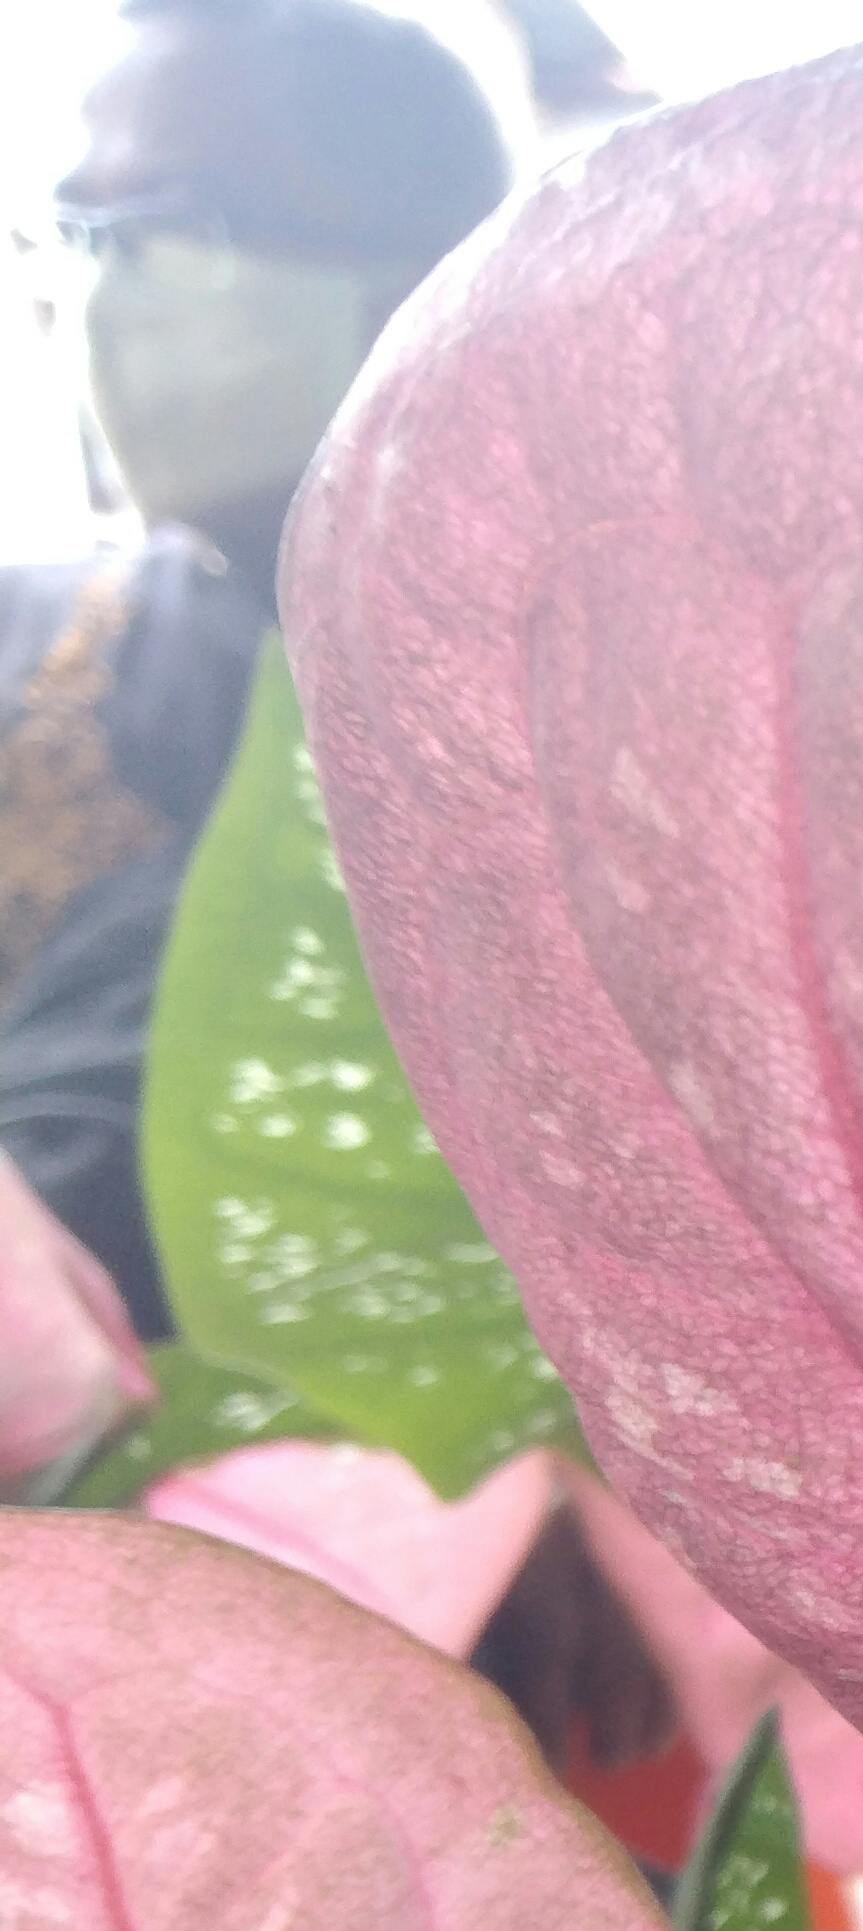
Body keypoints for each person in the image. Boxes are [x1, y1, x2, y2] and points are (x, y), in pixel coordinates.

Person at [0, 0, 510, 1334]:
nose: (117, 286)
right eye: (85, 230)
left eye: (181, 222)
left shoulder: (529, 720)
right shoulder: (32, 635)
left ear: (422, 269)